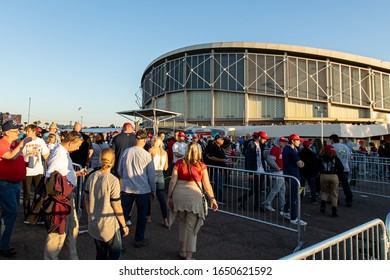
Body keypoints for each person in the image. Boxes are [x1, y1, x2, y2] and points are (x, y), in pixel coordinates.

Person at [167, 142, 218, 260]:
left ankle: (182, 250)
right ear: (198, 152)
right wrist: (212, 198)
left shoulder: (179, 163)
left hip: (179, 195)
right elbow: (207, 185)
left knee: (182, 223)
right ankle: (189, 258)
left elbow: (173, 181)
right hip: (193, 197)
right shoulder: (201, 165)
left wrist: (169, 196)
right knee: (192, 227)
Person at [43, 131, 87, 260]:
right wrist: (61, 195)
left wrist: (76, 174)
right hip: (61, 199)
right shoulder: (59, 155)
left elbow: (60, 175)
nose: (78, 148)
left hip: (66, 197)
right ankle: (51, 260)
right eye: (77, 145)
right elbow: (50, 179)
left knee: (71, 229)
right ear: (71, 142)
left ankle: (72, 258)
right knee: (58, 233)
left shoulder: (63, 153)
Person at [84, 148, 129, 259]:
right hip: (109, 224)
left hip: (95, 222)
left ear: (100, 159)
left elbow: (87, 200)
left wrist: (89, 217)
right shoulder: (113, 180)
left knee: (100, 254)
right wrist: (124, 225)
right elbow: (117, 206)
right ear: (113, 161)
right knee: (115, 254)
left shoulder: (92, 177)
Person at [118, 130, 156, 248]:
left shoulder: (126, 152)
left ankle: (120, 242)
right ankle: (139, 239)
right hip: (142, 190)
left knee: (123, 215)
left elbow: (120, 170)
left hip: (127, 188)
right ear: (145, 141)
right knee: (142, 215)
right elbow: (151, 175)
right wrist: (153, 190)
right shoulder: (147, 155)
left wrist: (125, 177)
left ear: (136, 139)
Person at [0, 120, 32, 257]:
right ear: (7, 133)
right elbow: (11, 157)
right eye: (15, 131)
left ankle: (4, 244)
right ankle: (3, 245)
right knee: (11, 212)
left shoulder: (13, 144)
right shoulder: (2, 144)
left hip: (14, 183)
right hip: (5, 184)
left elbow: (17, 158)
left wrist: (26, 163)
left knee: (9, 214)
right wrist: (24, 142)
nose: (18, 133)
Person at [21, 124, 50, 224]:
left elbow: (46, 155)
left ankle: (37, 216)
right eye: (26, 131)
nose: (27, 133)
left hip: (38, 171)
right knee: (27, 194)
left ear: (34, 132)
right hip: (26, 171)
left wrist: (50, 168)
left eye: (29, 131)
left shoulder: (40, 141)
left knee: (39, 194)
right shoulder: (23, 142)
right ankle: (27, 216)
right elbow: (20, 155)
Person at [281, 134, 307, 226]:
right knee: (294, 197)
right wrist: (302, 163)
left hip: (289, 175)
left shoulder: (286, 149)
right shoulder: (291, 150)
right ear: (293, 141)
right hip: (293, 176)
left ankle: (285, 211)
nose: (299, 142)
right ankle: (294, 217)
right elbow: (300, 164)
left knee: (292, 195)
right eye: (298, 140)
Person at [237, 131, 268, 210]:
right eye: (264, 139)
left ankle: (257, 206)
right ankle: (241, 199)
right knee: (254, 189)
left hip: (261, 169)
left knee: (259, 189)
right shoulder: (251, 145)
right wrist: (250, 173)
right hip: (255, 170)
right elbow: (249, 159)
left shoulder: (260, 145)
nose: (265, 140)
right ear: (260, 137)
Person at [147, 136, 169, 228]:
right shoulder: (164, 152)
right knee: (161, 199)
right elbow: (166, 167)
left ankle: (148, 216)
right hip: (161, 175)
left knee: (149, 196)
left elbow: (146, 163)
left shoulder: (151, 150)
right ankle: (165, 219)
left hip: (152, 174)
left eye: (152, 140)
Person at [263, 136, 288, 212]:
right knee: (277, 189)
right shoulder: (275, 149)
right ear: (278, 142)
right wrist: (276, 167)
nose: (284, 143)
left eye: (284, 142)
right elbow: (270, 160)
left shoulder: (280, 149)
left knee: (281, 189)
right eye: (282, 141)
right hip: (277, 172)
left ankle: (282, 206)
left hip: (280, 172)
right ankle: (268, 203)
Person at [319, 145, 344, 217]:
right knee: (334, 193)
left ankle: (323, 205)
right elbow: (341, 168)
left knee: (324, 191)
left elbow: (318, 167)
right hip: (334, 176)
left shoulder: (321, 158)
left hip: (323, 175)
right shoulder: (336, 159)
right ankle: (334, 211)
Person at [329, 134, 353, 207]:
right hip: (345, 167)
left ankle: (336, 200)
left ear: (332, 140)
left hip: (336, 169)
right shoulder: (345, 147)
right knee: (346, 186)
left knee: (334, 186)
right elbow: (349, 157)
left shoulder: (332, 147)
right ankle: (349, 200)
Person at [207, 134, 229, 202]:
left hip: (220, 168)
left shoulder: (220, 147)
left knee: (218, 184)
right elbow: (211, 157)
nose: (223, 141)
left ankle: (214, 197)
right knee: (218, 184)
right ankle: (218, 198)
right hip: (216, 168)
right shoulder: (214, 147)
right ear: (217, 140)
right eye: (221, 139)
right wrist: (222, 160)